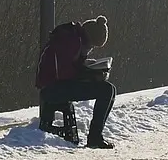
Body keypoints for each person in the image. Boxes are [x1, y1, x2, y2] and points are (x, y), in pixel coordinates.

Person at [35, 15, 117, 149]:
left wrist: (89, 70)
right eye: (92, 45)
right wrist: (89, 74)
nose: (90, 49)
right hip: (53, 89)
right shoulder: (71, 42)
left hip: (58, 84)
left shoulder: (75, 38)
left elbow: (72, 66)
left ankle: (96, 135)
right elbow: (63, 73)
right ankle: (95, 137)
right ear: (89, 37)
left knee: (110, 89)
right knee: (106, 90)